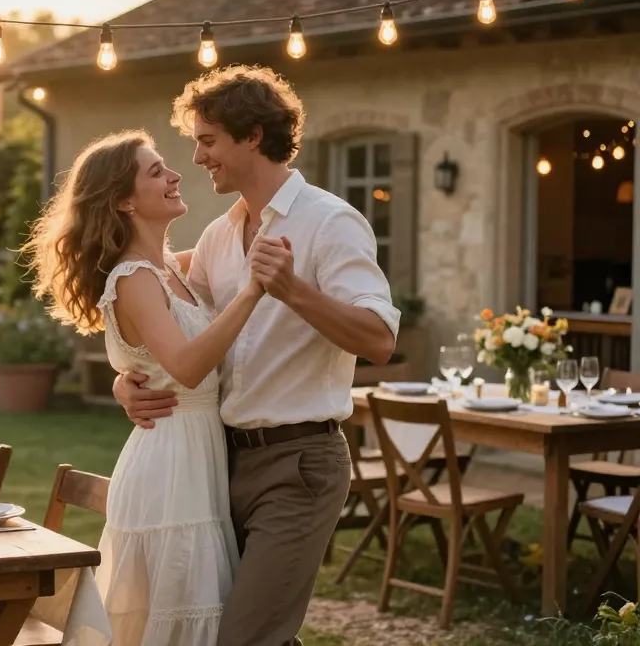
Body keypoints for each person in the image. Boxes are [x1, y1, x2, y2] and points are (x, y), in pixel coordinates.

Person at [113, 65, 401, 646]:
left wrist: (294, 289)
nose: (196, 158)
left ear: (252, 136)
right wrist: (127, 378)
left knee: (244, 636)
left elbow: (379, 340)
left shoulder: (331, 221)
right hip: (222, 465)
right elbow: (154, 301)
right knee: (247, 626)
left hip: (300, 464)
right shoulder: (221, 235)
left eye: (208, 140)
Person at [24, 129, 268, 645]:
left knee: (192, 607)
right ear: (123, 200)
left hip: (195, 456)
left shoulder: (172, 270)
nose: (175, 174)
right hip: (170, 465)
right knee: (176, 608)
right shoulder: (133, 277)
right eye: (156, 171)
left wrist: (121, 382)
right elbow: (185, 367)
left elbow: (151, 358)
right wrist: (253, 292)